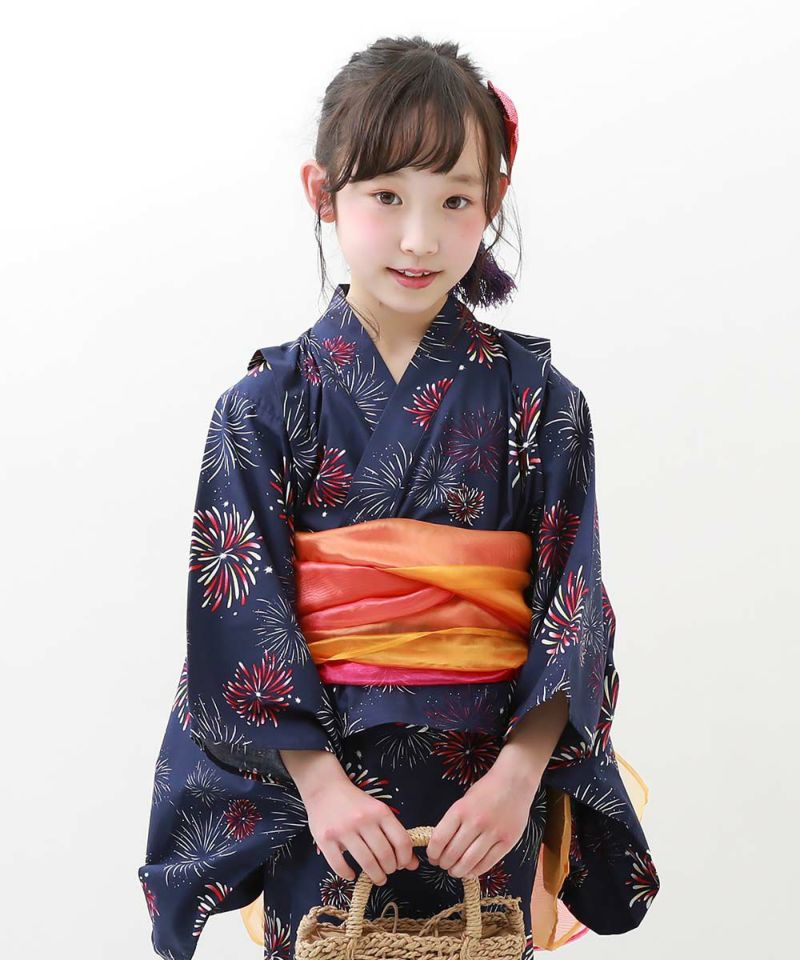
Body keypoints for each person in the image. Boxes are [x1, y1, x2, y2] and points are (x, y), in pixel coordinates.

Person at [137, 35, 660, 960]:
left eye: (455, 200)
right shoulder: (263, 407)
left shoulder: (543, 403)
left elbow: (573, 609)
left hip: (487, 807)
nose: (421, 238)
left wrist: (518, 778)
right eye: (386, 196)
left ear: (493, 200)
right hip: (327, 810)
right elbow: (237, 618)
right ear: (322, 192)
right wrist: (320, 785)